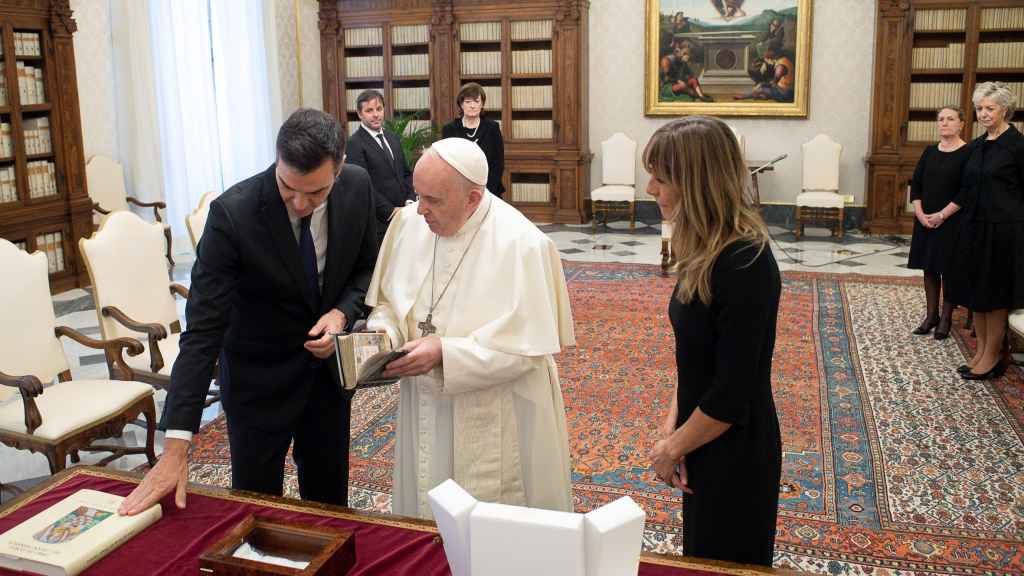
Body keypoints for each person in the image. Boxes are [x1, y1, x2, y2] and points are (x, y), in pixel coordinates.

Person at [118, 108, 379, 516]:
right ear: (276, 161)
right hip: (258, 384)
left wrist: (342, 313)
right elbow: (203, 331)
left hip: (326, 384)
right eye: (288, 187)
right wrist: (176, 444)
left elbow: (367, 267)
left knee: (329, 509)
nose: (299, 203)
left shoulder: (358, 187)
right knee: (254, 513)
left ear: (339, 169)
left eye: (315, 193)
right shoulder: (233, 216)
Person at [365, 138, 574, 519]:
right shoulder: (411, 223)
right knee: (423, 513)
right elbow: (389, 304)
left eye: (434, 200)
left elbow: (525, 353)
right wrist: (385, 336)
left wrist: (445, 352)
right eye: (418, 195)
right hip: (424, 401)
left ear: (473, 199)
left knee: (491, 526)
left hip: (494, 412)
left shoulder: (523, 244)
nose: (421, 210)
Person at [646, 116, 782, 566]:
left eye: (660, 179)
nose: (650, 189)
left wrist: (672, 448)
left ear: (695, 183)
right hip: (702, 434)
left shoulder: (744, 261)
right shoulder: (703, 247)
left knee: (728, 560)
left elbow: (732, 392)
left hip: (735, 449)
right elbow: (696, 357)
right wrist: (676, 424)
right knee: (702, 555)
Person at [944, 81, 1024, 380]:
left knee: (995, 296)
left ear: (1004, 109)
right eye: (979, 108)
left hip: (1004, 232)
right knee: (975, 293)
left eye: (990, 108)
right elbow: (965, 189)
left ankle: (992, 355)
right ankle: (979, 353)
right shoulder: (976, 146)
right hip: (974, 228)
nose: (984, 113)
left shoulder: (1017, 145)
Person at [907, 106, 971, 339]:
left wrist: (942, 215)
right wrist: (920, 214)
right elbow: (916, 184)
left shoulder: (969, 152)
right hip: (925, 220)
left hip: (952, 221)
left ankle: (945, 319)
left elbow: (966, 191)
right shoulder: (929, 151)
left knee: (949, 271)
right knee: (929, 268)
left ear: (961, 124)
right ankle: (930, 315)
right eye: (941, 119)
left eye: (950, 119)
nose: (944, 123)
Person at [346, 89, 416, 241]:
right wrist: (391, 211)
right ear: (360, 114)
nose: (376, 114)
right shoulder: (354, 144)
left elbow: (405, 173)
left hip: (406, 217)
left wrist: (409, 202)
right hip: (380, 224)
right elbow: (363, 186)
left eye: (379, 109)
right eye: (369, 110)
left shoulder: (393, 138)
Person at [441, 83, 505, 199]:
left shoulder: (492, 128)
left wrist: (485, 191)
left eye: (476, 101)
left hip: (489, 190)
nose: (472, 106)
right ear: (461, 105)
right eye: (468, 102)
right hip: (458, 191)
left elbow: (498, 163)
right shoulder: (450, 129)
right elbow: (447, 164)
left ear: (482, 105)